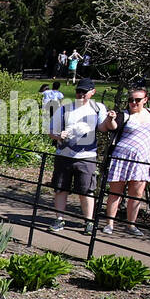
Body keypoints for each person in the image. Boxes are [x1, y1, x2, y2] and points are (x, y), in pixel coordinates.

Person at [99, 85, 150, 237]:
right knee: (116, 192)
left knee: (136, 194)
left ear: (145, 100)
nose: (133, 103)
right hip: (121, 157)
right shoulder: (125, 114)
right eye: (131, 100)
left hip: (143, 159)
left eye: (137, 100)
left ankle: (131, 225)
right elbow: (113, 127)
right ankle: (109, 223)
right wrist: (111, 118)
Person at [46, 78, 104, 232]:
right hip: (64, 155)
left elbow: (104, 128)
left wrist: (111, 119)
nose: (81, 95)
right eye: (78, 91)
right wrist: (59, 136)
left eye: (84, 92)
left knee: (86, 190)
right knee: (60, 188)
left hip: (86, 156)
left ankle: (89, 221)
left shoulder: (98, 109)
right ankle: (59, 219)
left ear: (92, 92)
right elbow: (50, 131)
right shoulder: (65, 109)